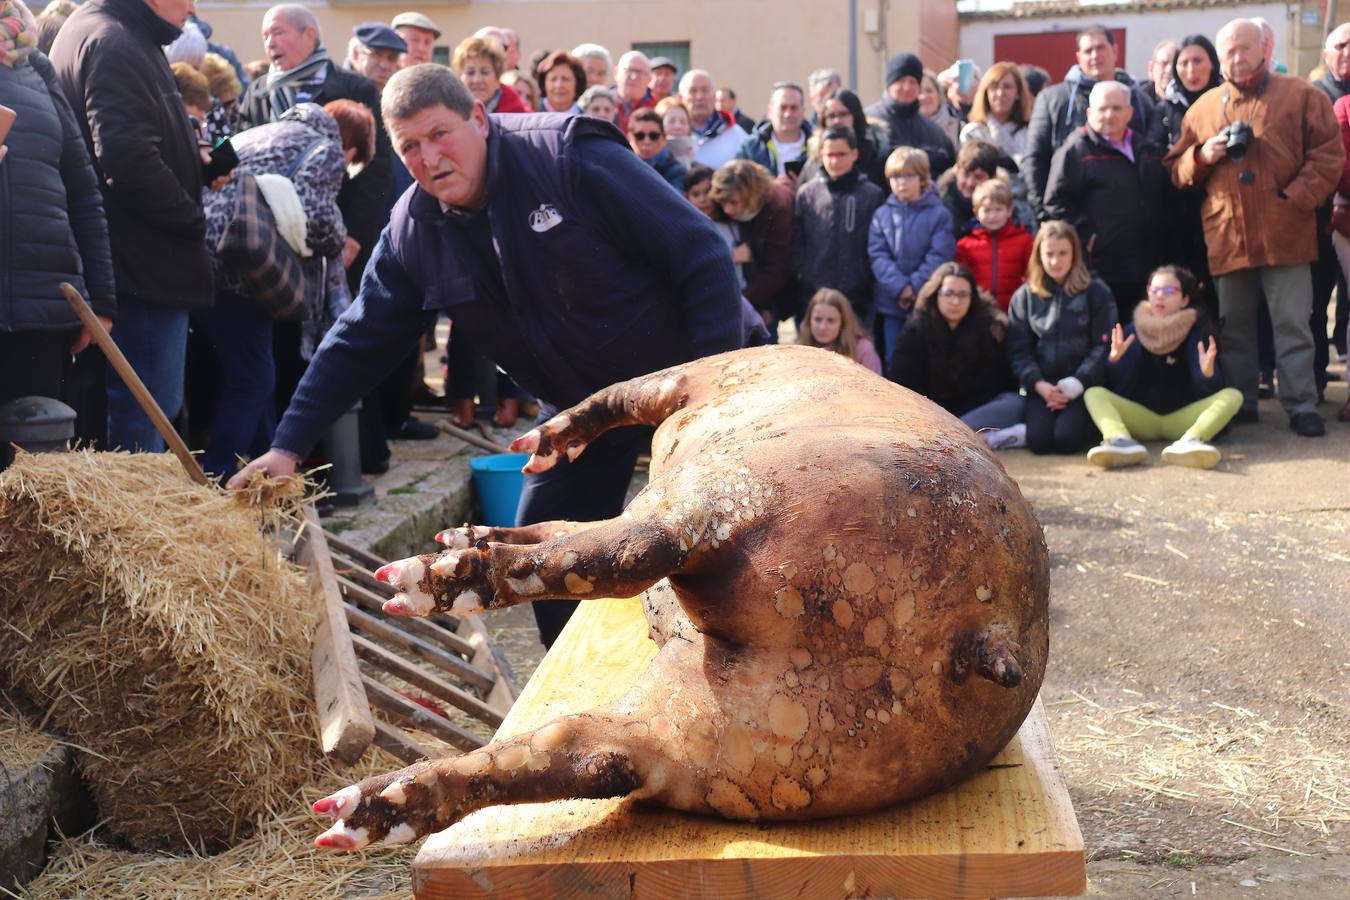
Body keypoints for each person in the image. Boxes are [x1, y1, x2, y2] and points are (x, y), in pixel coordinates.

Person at [227, 65, 746, 649]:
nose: (430, 158)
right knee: (545, 570)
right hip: (581, 413)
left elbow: (701, 254)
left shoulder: (565, 156)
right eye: (410, 148)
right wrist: (288, 444)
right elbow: (358, 338)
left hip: (689, 381)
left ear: (479, 117)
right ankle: (592, 697)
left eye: (440, 134)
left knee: (721, 546)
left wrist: (710, 397)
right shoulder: (412, 234)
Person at [50, 0, 215, 453]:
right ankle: (133, 528)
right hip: (140, 273)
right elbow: (126, 161)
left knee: (139, 420)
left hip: (129, 268)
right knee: (142, 426)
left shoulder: (111, 31)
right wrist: (192, 217)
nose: (193, 6)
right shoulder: (115, 40)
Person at [1164, 18, 1342, 437]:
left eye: (1245, 48)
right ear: (1219, 57)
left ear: (1265, 47)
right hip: (1228, 235)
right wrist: (1203, 155)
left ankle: (1300, 404)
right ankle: (1241, 403)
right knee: (1235, 326)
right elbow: (1176, 169)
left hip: (1286, 233)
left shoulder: (1301, 95)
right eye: (1229, 51)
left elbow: (1329, 156)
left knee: (1292, 324)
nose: (1237, 58)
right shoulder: (1203, 107)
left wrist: (1293, 199)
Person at [196, 102, 351, 479]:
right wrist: (341, 234)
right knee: (253, 379)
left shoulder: (249, 135)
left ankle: (269, 480)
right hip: (248, 268)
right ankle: (217, 480)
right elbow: (315, 218)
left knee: (253, 374)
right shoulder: (324, 148)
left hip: (202, 257)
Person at [0, 0, 114, 447]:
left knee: (33, 477)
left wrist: (100, 300)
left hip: (40, 311)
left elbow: (83, 189)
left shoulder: (34, 65)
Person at [1084, 266, 1242, 469]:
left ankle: (1191, 441)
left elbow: (1210, 390)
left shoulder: (1198, 332)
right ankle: (1119, 441)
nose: (1160, 296)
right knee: (1094, 393)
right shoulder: (1131, 331)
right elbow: (1119, 388)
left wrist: (1208, 373)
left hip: (1182, 418)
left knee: (1233, 395)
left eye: (1169, 292)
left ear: (1185, 300)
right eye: (1154, 290)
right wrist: (1115, 362)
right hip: (1143, 418)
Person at [1043, 80, 1168, 322]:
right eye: (1102, 109)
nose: (1109, 115)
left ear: (1130, 113)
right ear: (1089, 113)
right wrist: (1090, 236)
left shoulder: (1147, 149)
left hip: (1147, 266)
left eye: (1117, 108)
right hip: (1103, 268)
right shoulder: (1075, 151)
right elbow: (1055, 203)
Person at [1023, 25, 1159, 221]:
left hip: (1130, 226)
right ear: (1078, 57)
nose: (1095, 55)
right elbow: (1034, 160)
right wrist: (1047, 217)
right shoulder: (1052, 99)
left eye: (1101, 48)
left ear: (1115, 51)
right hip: (1069, 223)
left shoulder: (1139, 100)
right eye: (1088, 50)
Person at [1006, 220, 1117, 454]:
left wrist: (1078, 382)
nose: (1055, 261)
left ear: (1075, 254)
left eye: (1063, 253)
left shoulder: (1097, 291)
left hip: (1081, 384)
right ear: (1039, 255)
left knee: (1067, 440)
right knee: (1039, 442)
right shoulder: (1024, 296)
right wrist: (1038, 384)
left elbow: (1102, 345)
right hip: (1042, 385)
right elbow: (1019, 349)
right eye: (1049, 254)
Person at [890, 263, 1022, 441]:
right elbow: (904, 384)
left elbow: (994, 383)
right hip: (929, 414)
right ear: (936, 294)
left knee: (1015, 403)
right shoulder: (915, 330)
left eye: (962, 295)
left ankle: (954, 435)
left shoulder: (987, 328)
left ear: (972, 297)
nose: (955, 301)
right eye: (948, 293)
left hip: (972, 412)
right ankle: (960, 436)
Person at [867, 146, 956, 369]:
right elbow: (878, 256)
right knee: (894, 360)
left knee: (929, 363)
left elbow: (939, 256)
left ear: (923, 178)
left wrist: (915, 288)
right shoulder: (882, 215)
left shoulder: (939, 215)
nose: (901, 182)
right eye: (895, 177)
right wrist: (900, 288)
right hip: (892, 305)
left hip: (928, 304)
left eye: (908, 175)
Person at [793, 126, 886, 321]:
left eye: (841, 154)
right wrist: (805, 276)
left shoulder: (871, 194)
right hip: (815, 295)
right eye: (829, 154)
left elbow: (878, 244)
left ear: (854, 154)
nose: (835, 161)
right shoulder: (807, 194)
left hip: (859, 296)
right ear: (821, 155)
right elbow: (797, 243)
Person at [1157, 35, 1223, 303]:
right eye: (1183, 63)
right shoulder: (1165, 108)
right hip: (1177, 215)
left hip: (1220, 211)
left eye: (1198, 61)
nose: (1191, 70)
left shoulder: (1227, 101)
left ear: (1213, 64)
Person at [711, 159, 794, 333]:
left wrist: (738, 301)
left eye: (733, 203)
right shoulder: (728, 204)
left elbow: (776, 269)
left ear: (752, 194)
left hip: (767, 296)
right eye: (723, 202)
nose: (727, 209)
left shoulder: (778, 206)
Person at [864, 52, 954, 175]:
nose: (907, 87)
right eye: (901, 80)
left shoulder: (934, 132)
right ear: (889, 84)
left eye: (912, 81)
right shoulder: (868, 120)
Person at [956, 178, 1034, 311]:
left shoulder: (1025, 241)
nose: (992, 216)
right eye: (986, 210)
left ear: (1009, 211)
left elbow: (1032, 277)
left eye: (998, 210)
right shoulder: (964, 246)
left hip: (1015, 312)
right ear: (976, 212)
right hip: (978, 313)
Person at [800, 87, 887, 186]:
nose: (837, 121)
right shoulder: (816, 158)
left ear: (855, 116)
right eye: (831, 116)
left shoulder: (875, 152)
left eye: (843, 114)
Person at [797, 288, 882, 374]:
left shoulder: (863, 349)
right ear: (809, 320)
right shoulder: (798, 348)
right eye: (817, 319)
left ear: (843, 323)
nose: (822, 327)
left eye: (831, 321)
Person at [735, 81, 810, 178]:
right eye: (782, 108)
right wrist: (769, 187)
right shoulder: (751, 147)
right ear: (770, 111)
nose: (788, 114)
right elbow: (737, 183)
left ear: (803, 111)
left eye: (794, 108)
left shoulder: (819, 147)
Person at [680, 69, 748, 169]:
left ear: (714, 96)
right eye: (692, 91)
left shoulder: (736, 135)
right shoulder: (667, 135)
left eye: (705, 90)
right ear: (681, 97)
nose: (699, 97)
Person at [937, 139, 1001, 238]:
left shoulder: (1003, 203)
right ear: (957, 170)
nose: (970, 183)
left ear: (992, 177)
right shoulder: (939, 201)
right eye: (966, 175)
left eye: (978, 177)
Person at [452, 36, 530, 114]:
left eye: (485, 72)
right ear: (459, 76)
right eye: (470, 72)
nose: (477, 80)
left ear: (497, 77)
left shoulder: (518, 115)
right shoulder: (448, 111)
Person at [627, 107, 685, 190]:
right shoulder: (620, 165)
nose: (647, 141)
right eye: (640, 136)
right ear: (630, 137)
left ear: (664, 138)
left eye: (654, 136)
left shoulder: (676, 171)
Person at [346, 22, 405, 94]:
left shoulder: (394, 95)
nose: (384, 66)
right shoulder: (334, 91)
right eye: (377, 54)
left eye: (392, 58)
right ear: (356, 54)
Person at [612, 50, 653, 132]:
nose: (634, 77)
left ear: (649, 79)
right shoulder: (600, 105)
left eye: (640, 72)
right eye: (629, 70)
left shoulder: (657, 109)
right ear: (615, 73)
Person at [534, 50, 585, 115]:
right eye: (553, 79)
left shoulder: (586, 118)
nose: (559, 85)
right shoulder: (531, 112)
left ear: (577, 83)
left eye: (565, 79)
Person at [920, 69, 960, 149]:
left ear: (939, 95)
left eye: (929, 91)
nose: (924, 97)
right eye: (919, 92)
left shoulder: (957, 127)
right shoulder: (905, 128)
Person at [656, 95, 695, 167]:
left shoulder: (698, 156)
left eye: (683, 122)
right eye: (671, 121)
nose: (678, 127)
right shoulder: (652, 160)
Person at [1142, 39, 1178, 104]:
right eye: (1164, 63)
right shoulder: (1139, 104)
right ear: (1151, 68)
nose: (1169, 70)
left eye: (1176, 64)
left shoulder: (1192, 104)